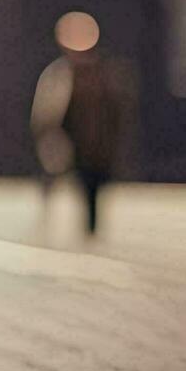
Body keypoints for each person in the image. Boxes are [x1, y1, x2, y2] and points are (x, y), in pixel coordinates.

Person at [30, 18, 130, 236]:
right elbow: (45, 112)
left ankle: (91, 231)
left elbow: (116, 112)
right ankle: (45, 221)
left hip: (94, 146)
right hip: (66, 141)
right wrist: (49, 137)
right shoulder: (58, 74)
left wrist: (110, 142)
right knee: (53, 178)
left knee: (92, 189)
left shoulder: (105, 75)